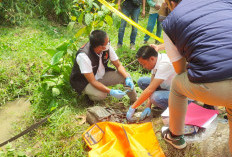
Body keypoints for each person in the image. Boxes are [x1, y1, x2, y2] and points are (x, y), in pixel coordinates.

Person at [159, 0, 232, 152]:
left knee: (177, 84)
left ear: (170, 3)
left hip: (218, 87)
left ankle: (175, 136)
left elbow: (180, 70)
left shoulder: (171, 21)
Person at [70, 30, 137, 103]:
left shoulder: (106, 47)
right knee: (101, 94)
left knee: (126, 76)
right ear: (100, 47)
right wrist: (111, 91)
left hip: (101, 75)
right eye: (107, 43)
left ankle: (134, 102)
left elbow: (118, 65)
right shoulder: (84, 56)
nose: (109, 44)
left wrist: (127, 78)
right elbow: (92, 81)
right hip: (86, 82)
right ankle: (88, 96)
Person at [126, 45, 176, 121]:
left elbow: (150, 89)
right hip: (167, 86)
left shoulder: (165, 64)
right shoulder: (156, 61)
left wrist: (133, 107)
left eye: (144, 64)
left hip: (180, 94)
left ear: (152, 58)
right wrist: (148, 106)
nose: (143, 67)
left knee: (155, 97)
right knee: (142, 81)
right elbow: (151, 85)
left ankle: (173, 110)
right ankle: (162, 100)